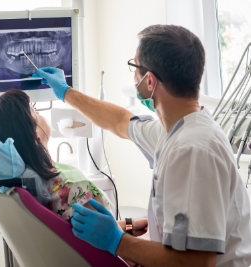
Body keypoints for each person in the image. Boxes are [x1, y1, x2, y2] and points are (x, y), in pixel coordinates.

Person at [32, 24, 251, 267]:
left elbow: (197, 261)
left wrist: (118, 241)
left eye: (134, 67)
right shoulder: (175, 129)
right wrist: (66, 92)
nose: (132, 74)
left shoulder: (192, 149)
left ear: (149, 81)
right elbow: (119, 121)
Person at [0, 89, 111, 221]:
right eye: (34, 111)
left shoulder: (9, 188)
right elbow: (112, 235)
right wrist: (131, 226)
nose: (39, 113)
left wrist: (130, 224)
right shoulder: (73, 189)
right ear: (35, 136)